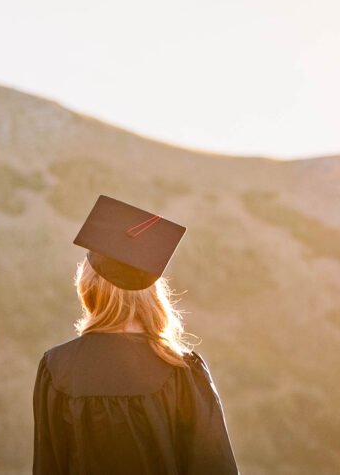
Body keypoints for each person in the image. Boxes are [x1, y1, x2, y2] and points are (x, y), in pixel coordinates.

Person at [34, 196, 237, 475]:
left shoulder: (57, 368)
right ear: (151, 292)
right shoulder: (182, 370)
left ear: (89, 285)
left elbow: (48, 467)